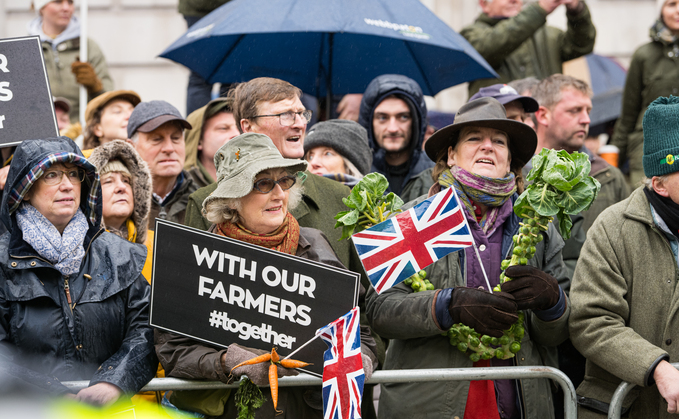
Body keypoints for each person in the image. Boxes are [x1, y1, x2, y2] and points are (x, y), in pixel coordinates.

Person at [366, 97, 570, 419]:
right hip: (430, 406)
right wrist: (447, 305)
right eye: (474, 138)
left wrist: (553, 303)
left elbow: (557, 334)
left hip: (519, 406)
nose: (487, 147)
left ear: (510, 161)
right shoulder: (415, 219)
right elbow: (380, 311)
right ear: (451, 155)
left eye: (499, 142)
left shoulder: (538, 226)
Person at [156, 132, 378, 418]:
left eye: (284, 181)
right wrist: (227, 361)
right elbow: (172, 352)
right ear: (231, 199)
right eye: (263, 183)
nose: (279, 194)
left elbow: (359, 332)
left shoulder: (315, 244)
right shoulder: (198, 259)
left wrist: (361, 361)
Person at [0, 136, 156, 404]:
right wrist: (54, 394)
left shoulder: (117, 254)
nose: (66, 185)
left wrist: (115, 380)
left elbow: (147, 328)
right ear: (25, 189)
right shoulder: (3, 263)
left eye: (74, 174)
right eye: (51, 175)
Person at [569, 96, 679, 418]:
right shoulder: (612, 228)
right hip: (630, 407)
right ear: (659, 183)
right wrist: (658, 368)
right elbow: (591, 320)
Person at [460, 0, 596, 96]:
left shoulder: (548, 34)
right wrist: (539, 9)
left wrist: (577, 10)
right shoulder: (471, 34)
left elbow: (582, 45)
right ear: (484, 4)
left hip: (542, 121)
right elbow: (491, 45)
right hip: (499, 123)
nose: (514, 0)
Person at [611, 0, 679, 188]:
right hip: (647, 143)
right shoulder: (644, 55)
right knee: (644, 199)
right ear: (661, 11)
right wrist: (615, 155)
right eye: (671, 4)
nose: (678, 10)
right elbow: (628, 113)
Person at [28, 0, 113, 123]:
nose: (66, 8)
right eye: (58, 2)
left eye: (70, 2)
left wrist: (95, 87)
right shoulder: (25, 48)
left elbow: (110, 99)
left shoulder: (87, 47)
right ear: (40, 7)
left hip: (82, 132)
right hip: (39, 133)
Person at [357, 74, 434, 202]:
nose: (393, 128)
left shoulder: (437, 174)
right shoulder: (355, 173)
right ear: (369, 123)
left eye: (403, 117)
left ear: (416, 122)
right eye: (382, 117)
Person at [127, 100, 197, 230]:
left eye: (176, 138)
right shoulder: (118, 200)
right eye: (156, 139)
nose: (169, 148)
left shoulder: (203, 203)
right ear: (132, 148)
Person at [179, 0, 233, 114]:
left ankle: (200, 128)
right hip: (227, 8)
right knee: (230, 75)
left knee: (201, 76)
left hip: (199, 10)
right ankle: (226, 127)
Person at [184, 97, 240, 189]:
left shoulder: (258, 180)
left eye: (239, 128)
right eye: (223, 128)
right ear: (198, 141)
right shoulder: (180, 187)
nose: (237, 134)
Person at [303, 119, 372, 187]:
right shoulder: (294, 195)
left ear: (350, 167)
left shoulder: (370, 197)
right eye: (310, 157)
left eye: (327, 154)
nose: (313, 163)